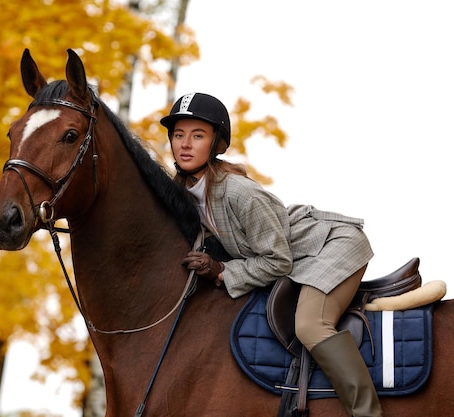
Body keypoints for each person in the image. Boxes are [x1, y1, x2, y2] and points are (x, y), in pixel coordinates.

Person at [160, 92, 383, 417]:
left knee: (310, 325)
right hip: (298, 257)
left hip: (332, 246)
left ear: (217, 143)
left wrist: (222, 272)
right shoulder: (186, 192)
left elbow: (278, 261)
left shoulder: (239, 192)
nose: (185, 144)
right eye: (178, 135)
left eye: (197, 135)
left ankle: (367, 412)